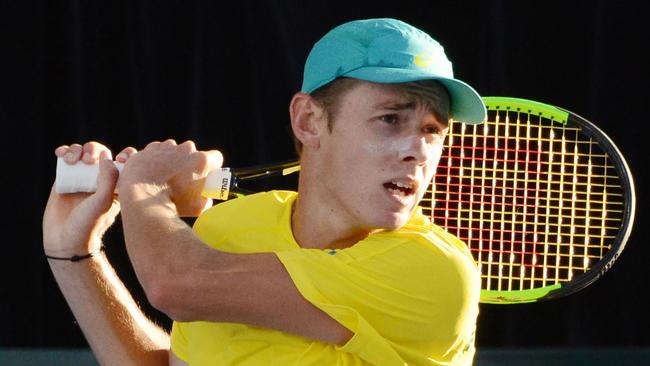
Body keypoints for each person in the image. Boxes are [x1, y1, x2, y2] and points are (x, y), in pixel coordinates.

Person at [43, 18, 486, 365]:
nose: (418, 151)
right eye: (391, 119)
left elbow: (176, 284)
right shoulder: (228, 229)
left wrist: (146, 184)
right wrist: (76, 255)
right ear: (309, 121)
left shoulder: (434, 271)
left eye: (432, 130)